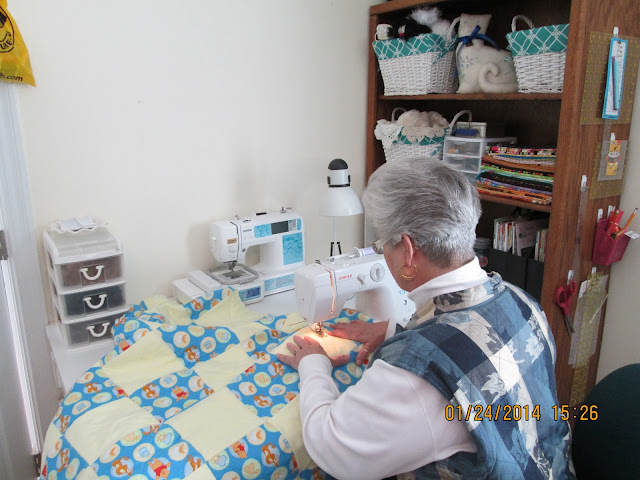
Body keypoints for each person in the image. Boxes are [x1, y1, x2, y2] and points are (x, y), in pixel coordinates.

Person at [276, 158, 574, 480]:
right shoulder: (523, 301)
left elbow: (332, 447)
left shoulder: (414, 376)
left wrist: (314, 364)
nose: (382, 253)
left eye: (381, 244)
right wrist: (396, 331)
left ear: (407, 251)